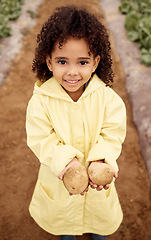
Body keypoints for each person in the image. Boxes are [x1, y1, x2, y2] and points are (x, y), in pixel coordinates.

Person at [26, 5, 126, 240]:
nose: (72, 72)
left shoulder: (108, 99)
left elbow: (113, 134)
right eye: (62, 62)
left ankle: (96, 233)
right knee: (65, 224)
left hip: (96, 185)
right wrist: (67, 163)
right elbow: (42, 139)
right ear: (49, 62)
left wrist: (101, 159)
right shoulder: (40, 101)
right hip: (61, 179)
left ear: (95, 63)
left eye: (82, 62)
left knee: (98, 221)